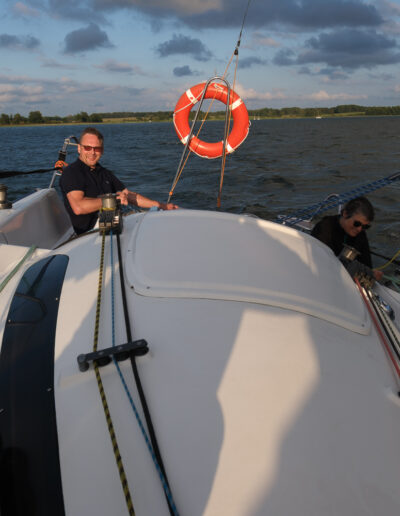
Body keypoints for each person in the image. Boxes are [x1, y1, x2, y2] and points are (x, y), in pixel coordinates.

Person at [59, 127, 178, 234]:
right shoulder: (72, 173)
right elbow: (79, 207)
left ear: (102, 151)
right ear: (79, 148)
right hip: (90, 233)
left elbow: (128, 195)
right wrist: (114, 199)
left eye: (97, 148)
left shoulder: (104, 173)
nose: (92, 152)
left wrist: (162, 206)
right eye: (87, 148)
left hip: (115, 223)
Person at [311, 197, 383, 281]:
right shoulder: (324, 228)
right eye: (357, 223)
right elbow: (318, 262)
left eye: (365, 226)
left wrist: (372, 274)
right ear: (345, 214)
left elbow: (367, 264)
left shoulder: (361, 235)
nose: (359, 229)